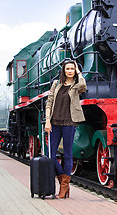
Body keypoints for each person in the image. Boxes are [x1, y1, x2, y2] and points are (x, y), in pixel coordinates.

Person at [44, 60, 86, 199]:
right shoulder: (56, 84)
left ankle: (63, 187)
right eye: (67, 68)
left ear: (75, 71)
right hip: (54, 122)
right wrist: (48, 121)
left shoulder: (76, 84)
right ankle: (64, 180)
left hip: (69, 122)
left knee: (67, 155)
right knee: (50, 154)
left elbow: (83, 86)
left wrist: (79, 72)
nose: (69, 71)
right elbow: (49, 102)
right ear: (63, 70)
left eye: (72, 69)